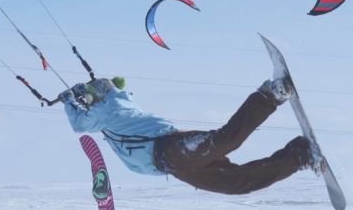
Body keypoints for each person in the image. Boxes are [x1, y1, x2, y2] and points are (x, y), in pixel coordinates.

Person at [58, 76, 324, 195]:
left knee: (227, 139)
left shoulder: (109, 106)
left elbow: (80, 124)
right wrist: (82, 97)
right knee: (237, 184)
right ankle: (298, 156)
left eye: (92, 96)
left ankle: (270, 94)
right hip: (171, 164)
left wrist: (70, 100)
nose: (89, 100)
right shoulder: (110, 110)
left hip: (171, 150)